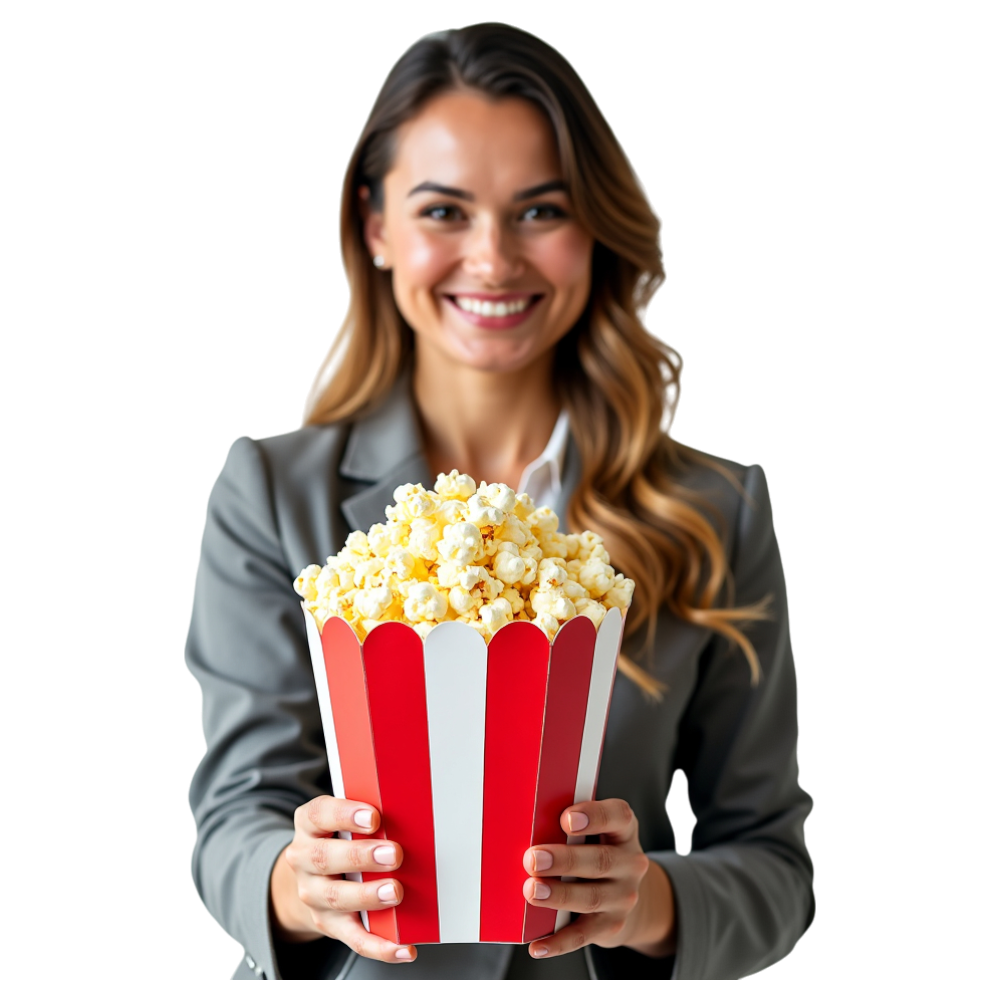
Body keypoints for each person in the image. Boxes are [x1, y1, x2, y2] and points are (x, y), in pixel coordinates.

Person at [186, 23, 813, 980]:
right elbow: (233, 816)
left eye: (539, 211)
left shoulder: (714, 508)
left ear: (596, 228)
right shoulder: (272, 493)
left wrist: (648, 902)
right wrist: (294, 882)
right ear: (375, 226)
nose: (492, 260)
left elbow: (773, 869)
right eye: (444, 211)